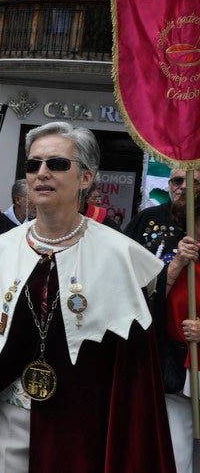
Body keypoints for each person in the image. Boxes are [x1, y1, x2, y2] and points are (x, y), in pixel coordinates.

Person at [0, 121, 175, 472]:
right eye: (33, 165)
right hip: (7, 423)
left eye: (57, 164)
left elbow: (132, 372)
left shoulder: (120, 256)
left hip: (84, 431)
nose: (42, 173)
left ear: (86, 178)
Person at [126, 168, 200, 472]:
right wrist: (177, 262)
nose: (185, 187)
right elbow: (140, 294)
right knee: (174, 458)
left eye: (195, 182)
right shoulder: (151, 223)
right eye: (178, 181)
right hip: (170, 366)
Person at [162, 187, 200, 472]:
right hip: (176, 370)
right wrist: (176, 264)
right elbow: (147, 302)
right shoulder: (174, 255)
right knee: (175, 454)